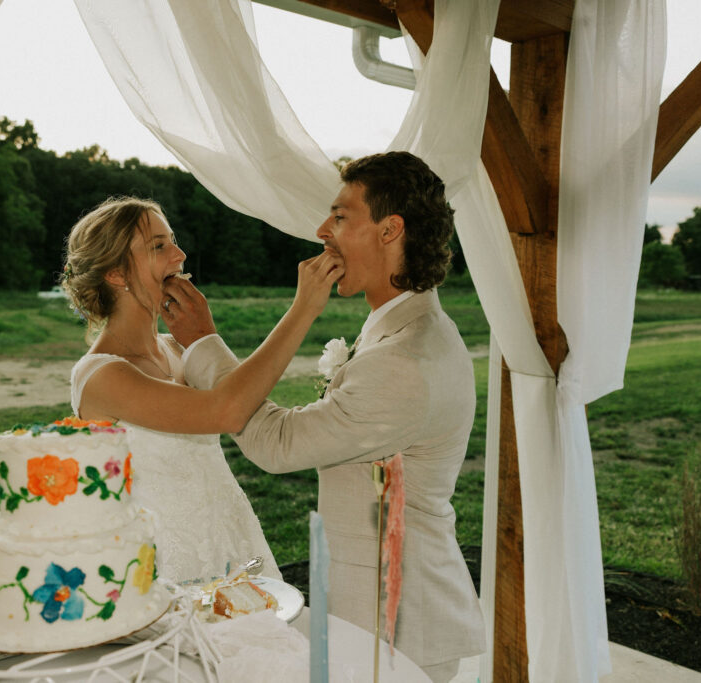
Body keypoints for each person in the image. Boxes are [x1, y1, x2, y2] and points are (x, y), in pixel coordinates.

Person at [164, 152, 485, 681]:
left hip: (396, 622)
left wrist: (203, 342)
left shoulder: (403, 361)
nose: (321, 230)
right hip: (387, 610)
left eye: (340, 216)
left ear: (390, 230)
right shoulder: (405, 328)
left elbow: (275, 443)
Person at [61, 196, 343, 584]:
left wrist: (205, 337)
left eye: (173, 240)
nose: (180, 254)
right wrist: (304, 308)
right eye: (159, 246)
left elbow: (246, 399)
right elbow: (226, 411)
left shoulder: (175, 348)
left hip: (230, 544)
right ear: (115, 273)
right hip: (162, 567)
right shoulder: (102, 376)